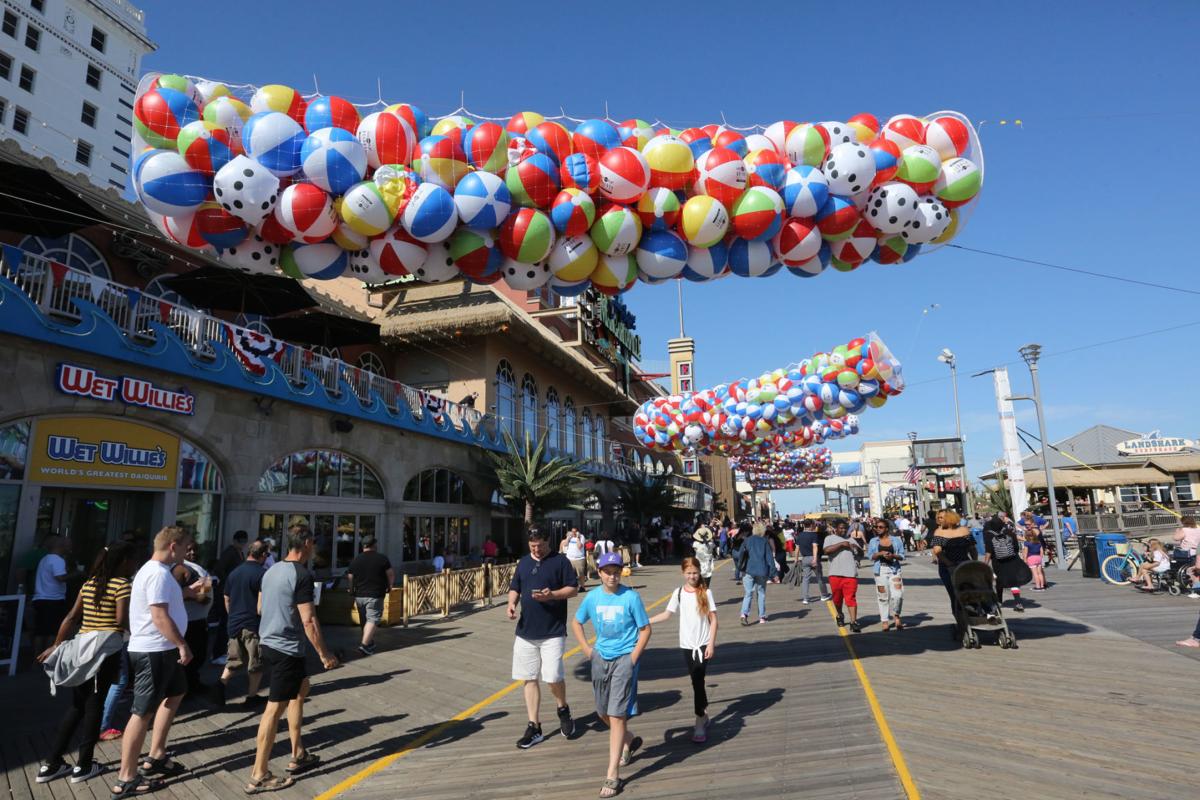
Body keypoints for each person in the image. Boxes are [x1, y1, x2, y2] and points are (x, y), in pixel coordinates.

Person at [247, 527, 340, 794]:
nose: (314, 549)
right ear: (307, 543)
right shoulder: (301, 575)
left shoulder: (271, 570)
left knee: (300, 692)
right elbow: (309, 620)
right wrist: (325, 654)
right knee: (273, 710)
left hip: (270, 642)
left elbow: (260, 608)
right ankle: (259, 773)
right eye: (313, 544)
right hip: (286, 648)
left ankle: (298, 752)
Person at [35, 543, 136, 785]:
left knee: (78, 705)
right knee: (95, 706)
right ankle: (84, 764)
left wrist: (56, 645)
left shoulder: (88, 584)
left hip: (82, 648)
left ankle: (51, 762)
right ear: (123, 562)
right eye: (133, 560)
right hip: (106, 651)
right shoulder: (122, 585)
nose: (134, 564)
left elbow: (71, 617)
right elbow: (121, 620)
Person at [111, 527, 193, 797]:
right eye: (185, 547)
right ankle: (126, 777)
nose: (187, 552)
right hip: (154, 650)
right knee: (142, 711)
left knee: (176, 692)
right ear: (173, 546)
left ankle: (156, 753)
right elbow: (159, 616)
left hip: (161, 649)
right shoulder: (157, 573)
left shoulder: (155, 572)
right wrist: (182, 643)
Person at [570, 551, 650, 798]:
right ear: (600, 573)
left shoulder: (631, 597)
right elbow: (576, 622)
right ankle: (628, 738)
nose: (613, 576)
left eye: (616, 572)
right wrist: (587, 649)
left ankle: (613, 773)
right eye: (608, 572)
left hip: (625, 659)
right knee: (602, 712)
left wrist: (633, 658)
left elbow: (645, 629)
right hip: (600, 658)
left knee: (616, 715)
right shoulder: (593, 598)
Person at [507, 529, 579, 749]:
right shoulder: (524, 562)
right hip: (526, 631)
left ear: (548, 541)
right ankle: (534, 725)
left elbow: (573, 589)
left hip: (553, 631)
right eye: (532, 546)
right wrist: (511, 604)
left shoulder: (561, 562)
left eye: (539, 545)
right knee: (528, 677)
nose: (536, 550)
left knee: (552, 676)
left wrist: (552, 595)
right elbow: (515, 587)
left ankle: (562, 709)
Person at [648, 557, 717, 743]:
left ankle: (699, 721)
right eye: (689, 573)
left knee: (697, 680)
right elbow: (667, 614)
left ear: (699, 572)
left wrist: (711, 644)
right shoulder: (678, 593)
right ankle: (703, 714)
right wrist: (646, 621)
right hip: (686, 645)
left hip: (702, 644)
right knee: (697, 681)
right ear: (683, 574)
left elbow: (714, 620)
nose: (692, 576)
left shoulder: (706, 592)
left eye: (695, 572)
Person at [216, 539, 269, 706]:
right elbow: (261, 604)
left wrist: (232, 615)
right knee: (256, 662)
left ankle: (220, 687)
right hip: (252, 624)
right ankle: (252, 696)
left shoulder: (234, 572)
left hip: (234, 623)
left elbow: (226, 598)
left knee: (234, 659)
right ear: (263, 555)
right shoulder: (262, 574)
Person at [930, 511, 978, 637]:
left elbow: (972, 548)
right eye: (938, 518)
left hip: (965, 565)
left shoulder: (964, 530)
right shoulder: (939, 532)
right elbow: (938, 552)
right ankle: (961, 623)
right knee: (954, 596)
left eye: (942, 518)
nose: (940, 520)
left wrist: (975, 562)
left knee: (971, 593)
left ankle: (974, 619)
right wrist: (949, 564)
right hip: (948, 568)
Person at [174, 540, 213, 695]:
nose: (192, 553)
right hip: (189, 622)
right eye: (189, 549)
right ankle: (185, 689)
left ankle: (193, 683)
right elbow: (175, 593)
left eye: (195, 550)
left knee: (199, 655)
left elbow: (206, 589)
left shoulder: (197, 567)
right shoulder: (179, 568)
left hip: (198, 621)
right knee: (191, 657)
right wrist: (199, 597)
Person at [347, 536, 395, 656]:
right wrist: (390, 586)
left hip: (359, 595)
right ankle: (364, 645)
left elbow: (350, 576)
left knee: (364, 619)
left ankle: (370, 642)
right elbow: (390, 574)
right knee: (373, 619)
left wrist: (351, 589)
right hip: (375, 594)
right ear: (374, 545)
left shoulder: (356, 560)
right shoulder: (382, 559)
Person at [32, 535, 74, 657]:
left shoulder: (45, 559)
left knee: (41, 631)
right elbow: (60, 577)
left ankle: (37, 657)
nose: (70, 548)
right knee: (52, 631)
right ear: (61, 546)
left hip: (41, 598)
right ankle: (47, 657)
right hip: (53, 600)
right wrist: (77, 574)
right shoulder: (57, 560)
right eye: (68, 545)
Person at [983, 515, 1029, 612]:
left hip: (998, 561)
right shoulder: (1009, 532)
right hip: (1012, 559)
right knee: (1013, 581)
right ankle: (1018, 602)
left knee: (999, 580)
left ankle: (999, 601)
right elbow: (1016, 547)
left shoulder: (989, 535)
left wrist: (985, 564)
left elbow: (988, 552)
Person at [824, 520, 864, 632]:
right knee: (837, 599)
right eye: (841, 528)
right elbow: (826, 550)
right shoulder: (829, 538)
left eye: (845, 528)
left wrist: (857, 549)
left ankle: (853, 622)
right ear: (835, 528)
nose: (843, 530)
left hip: (850, 574)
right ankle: (840, 614)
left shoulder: (851, 540)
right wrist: (841, 544)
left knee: (850, 598)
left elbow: (861, 554)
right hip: (835, 574)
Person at [866, 520, 906, 631]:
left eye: (880, 527)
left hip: (894, 570)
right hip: (880, 570)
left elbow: (902, 556)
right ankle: (884, 620)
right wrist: (879, 554)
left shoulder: (896, 540)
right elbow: (870, 556)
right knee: (883, 596)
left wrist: (893, 555)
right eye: (876, 527)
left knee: (898, 594)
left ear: (887, 528)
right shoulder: (873, 541)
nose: (877, 528)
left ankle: (896, 615)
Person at [737, 522, 777, 625]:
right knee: (761, 594)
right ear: (763, 531)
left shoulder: (747, 541)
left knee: (748, 593)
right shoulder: (764, 542)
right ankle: (762, 617)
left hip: (748, 570)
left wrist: (740, 567)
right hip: (762, 571)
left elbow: (741, 555)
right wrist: (774, 574)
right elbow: (769, 559)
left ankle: (744, 614)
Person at [795, 519, 831, 603]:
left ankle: (805, 598)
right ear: (811, 525)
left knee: (806, 578)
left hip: (804, 558)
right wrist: (815, 559)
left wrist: (796, 559)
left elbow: (797, 548)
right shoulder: (813, 535)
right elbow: (815, 547)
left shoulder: (800, 535)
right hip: (813, 558)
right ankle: (824, 595)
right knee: (819, 578)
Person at [1022, 524, 1048, 591]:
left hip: (1031, 558)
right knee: (1040, 573)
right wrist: (1041, 558)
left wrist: (1025, 560)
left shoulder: (1026, 543)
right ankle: (1042, 586)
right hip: (1038, 558)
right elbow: (1042, 551)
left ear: (1026, 536)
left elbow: (1025, 552)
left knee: (1035, 574)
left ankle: (1037, 586)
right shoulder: (1038, 542)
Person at [562, 526, 589, 591]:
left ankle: (582, 586)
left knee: (580, 574)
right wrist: (568, 538)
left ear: (578, 532)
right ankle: (572, 586)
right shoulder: (570, 537)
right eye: (572, 531)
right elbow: (565, 544)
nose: (573, 533)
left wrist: (578, 538)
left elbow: (579, 546)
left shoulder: (581, 537)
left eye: (575, 531)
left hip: (579, 558)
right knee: (570, 573)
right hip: (570, 558)